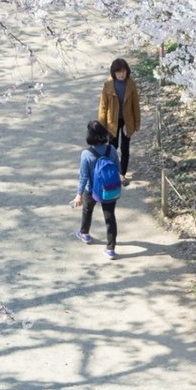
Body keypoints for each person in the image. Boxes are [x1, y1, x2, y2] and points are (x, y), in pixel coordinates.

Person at [72, 120, 123, 257]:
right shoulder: (111, 149)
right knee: (110, 217)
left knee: (87, 210)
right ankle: (111, 248)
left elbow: (83, 177)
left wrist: (78, 195)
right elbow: (118, 168)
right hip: (108, 189)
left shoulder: (86, 154)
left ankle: (85, 234)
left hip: (92, 189)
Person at [98, 57, 141, 183]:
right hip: (112, 121)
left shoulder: (131, 85)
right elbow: (103, 106)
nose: (121, 74)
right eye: (118, 72)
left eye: (123, 71)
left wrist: (136, 123)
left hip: (127, 121)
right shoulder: (108, 85)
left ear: (127, 71)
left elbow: (135, 105)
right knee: (112, 147)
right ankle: (111, 171)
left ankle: (122, 173)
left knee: (125, 147)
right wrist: (102, 125)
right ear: (114, 72)